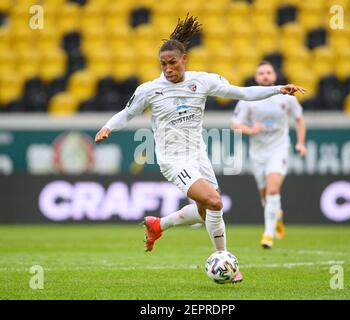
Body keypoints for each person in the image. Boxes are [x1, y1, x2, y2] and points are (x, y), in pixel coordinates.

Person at [95, 15, 306, 282]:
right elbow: (126, 113)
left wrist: (279, 89)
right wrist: (107, 128)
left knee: (206, 210)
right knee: (215, 202)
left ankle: (158, 225)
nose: (168, 68)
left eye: (172, 63)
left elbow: (242, 93)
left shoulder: (202, 81)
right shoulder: (149, 90)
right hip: (172, 159)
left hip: (198, 155)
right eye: (163, 64)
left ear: (184, 60)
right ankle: (227, 261)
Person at [231, 61, 307, 249]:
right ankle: (276, 215)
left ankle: (268, 234)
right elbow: (235, 125)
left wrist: (300, 142)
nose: (265, 75)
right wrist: (250, 130)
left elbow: (299, 119)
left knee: (273, 190)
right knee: (265, 195)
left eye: (268, 72)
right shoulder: (248, 99)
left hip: (279, 148)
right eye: (261, 73)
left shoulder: (287, 98)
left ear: (274, 76)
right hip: (258, 153)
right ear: (256, 77)